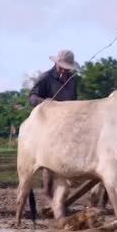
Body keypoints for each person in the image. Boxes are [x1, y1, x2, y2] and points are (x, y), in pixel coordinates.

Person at [27, 49, 80, 212]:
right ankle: (50, 197)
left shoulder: (72, 80)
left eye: (67, 67)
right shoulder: (45, 78)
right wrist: (46, 102)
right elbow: (32, 97)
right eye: (62, 66)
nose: (64, 69)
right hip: (49, 125)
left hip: (67, 125)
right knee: (49, 163)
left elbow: (75, 100)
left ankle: (60, 197)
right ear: (56, 63)